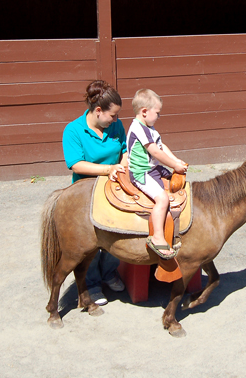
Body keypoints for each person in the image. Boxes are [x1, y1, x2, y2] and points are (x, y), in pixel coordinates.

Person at [62, 80, 127, 305]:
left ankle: (109, 272)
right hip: (85, 191)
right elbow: (76, 165)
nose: (116, 120)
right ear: (98, 111)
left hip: (114, 187)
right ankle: (92, 284)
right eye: (112, 116)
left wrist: (124, 165)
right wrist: (109, 169)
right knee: (89, 242)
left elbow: (125, 151)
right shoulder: (73, 130)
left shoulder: (116, 127)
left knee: (116, 232)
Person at [126, 89, 188, 259]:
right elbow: (156, 153)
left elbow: (162, 147)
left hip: (153, 168)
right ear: (144, 111)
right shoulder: (138, 129)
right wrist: (174, 164)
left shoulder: (149, 127)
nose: (159, 117)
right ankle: (157, 236)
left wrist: (177, 161)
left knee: (176, 183)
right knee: (162, 198)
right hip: (141, 172)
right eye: (158, 113)